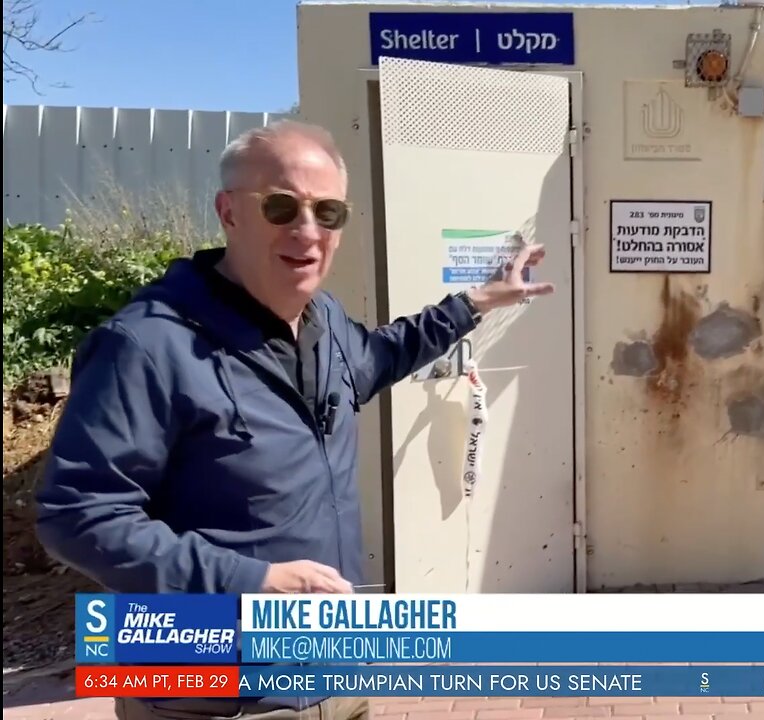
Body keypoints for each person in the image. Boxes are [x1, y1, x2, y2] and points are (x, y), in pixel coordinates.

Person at [34, 119, 554, 720]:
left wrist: (475, 303)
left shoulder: (322, 320)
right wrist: (251, 580)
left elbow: (378, 356)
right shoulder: (145, 346)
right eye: (281, 207)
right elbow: (77, 515)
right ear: (229, 212)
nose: (308, 231)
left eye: (328, 212)